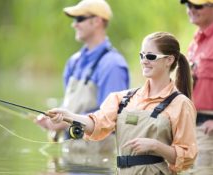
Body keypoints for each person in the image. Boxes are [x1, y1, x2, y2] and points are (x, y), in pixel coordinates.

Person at [46, 32, 198, 175]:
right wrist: (69, 116)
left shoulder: (181, 104)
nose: (144, 61)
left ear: (169, 60)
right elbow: (97, 124)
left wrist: (156, 146)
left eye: (151, 56)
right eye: (142, 55)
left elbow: (187, 158)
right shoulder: (122, 98)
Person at [36, 0, 129, 170]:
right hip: (70, 157)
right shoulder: (74, 62)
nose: (74, 25)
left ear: (97, 21)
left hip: (98, 161)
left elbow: (111, 118)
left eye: (79, 19)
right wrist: (52, 121)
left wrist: (64, 121)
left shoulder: (113, 65)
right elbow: (69, 105)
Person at [180, 0, 213, 174]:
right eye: (188, 5)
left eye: (197, 6)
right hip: (192, 129)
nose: (191, 9)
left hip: (209, 130)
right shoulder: (196, 41)